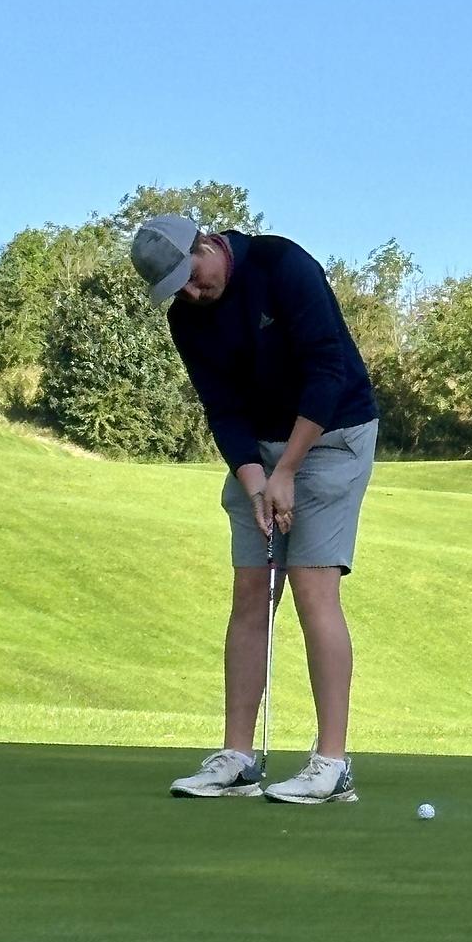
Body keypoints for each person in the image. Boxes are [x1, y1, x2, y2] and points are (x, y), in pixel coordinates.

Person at [130, 213, 379, 804]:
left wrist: (287, 471)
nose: (192, 294)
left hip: (332, 433)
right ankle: (239, 757)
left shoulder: (281, 265)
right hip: (259, 452)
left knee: (311, 584)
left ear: (208, 244)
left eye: (192, 278)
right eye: (177, 292)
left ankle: (332, 763)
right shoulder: (187, 321)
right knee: (251, 589)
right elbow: (222, 408)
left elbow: (327, 369)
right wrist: (254, 480)